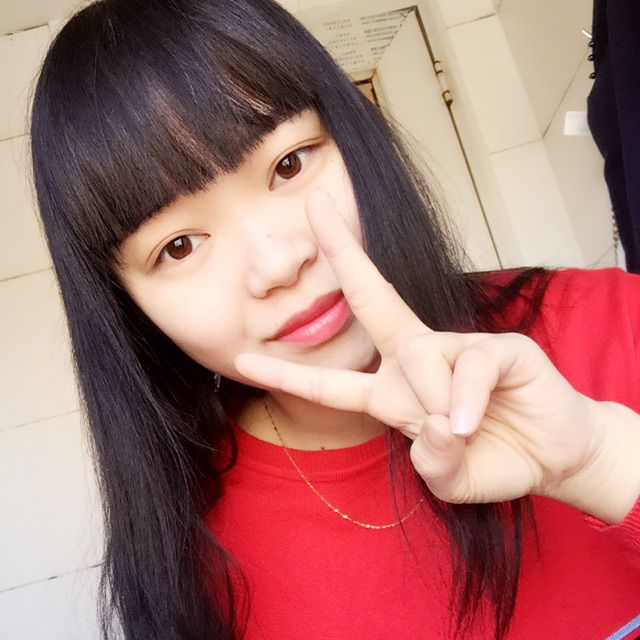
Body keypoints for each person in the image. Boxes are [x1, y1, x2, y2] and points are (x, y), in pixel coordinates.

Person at [28, 0, 640, 639]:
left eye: (289, 164)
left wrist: (600, 462)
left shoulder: (611, 323)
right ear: (129, 307)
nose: (278, 262)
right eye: (178, 246)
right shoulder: (193, 573)